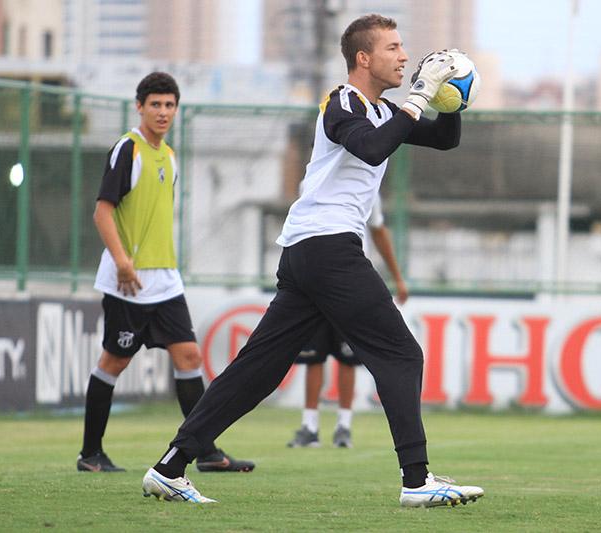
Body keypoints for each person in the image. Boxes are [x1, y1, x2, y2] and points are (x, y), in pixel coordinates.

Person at [141, 15, 484, 507]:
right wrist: (419, 94)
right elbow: (368, 149)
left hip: (310, 252)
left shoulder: (385, 110)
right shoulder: (341, 101)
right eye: (393, 47)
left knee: (257, 370)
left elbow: (444, 139)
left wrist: (453, 97)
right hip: (327, 249)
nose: (405, 57)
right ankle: (416, 482)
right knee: (401, 354)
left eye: (404, 48)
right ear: (363, 58)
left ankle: (169, 467)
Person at [78, 72, 255, 474]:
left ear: (176, 109)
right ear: (139, 106)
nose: (163, 112)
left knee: (189, 355)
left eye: (169, 104)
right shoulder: (129, 149)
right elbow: (102, 210)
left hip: (165, 279)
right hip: (130, 280)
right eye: (155, 104)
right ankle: (90, 454)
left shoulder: (170, 156)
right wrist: (122, 261)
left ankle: (206, 452)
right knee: (114, 362)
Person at [287, 194, 409, 449]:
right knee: (314, 356)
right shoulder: (315, 179)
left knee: (347, 356)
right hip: (317, 277)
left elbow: (377, 229)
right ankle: (310, 426)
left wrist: (398, 277)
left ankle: (344, 426)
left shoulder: (368, 185)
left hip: (347, 280)